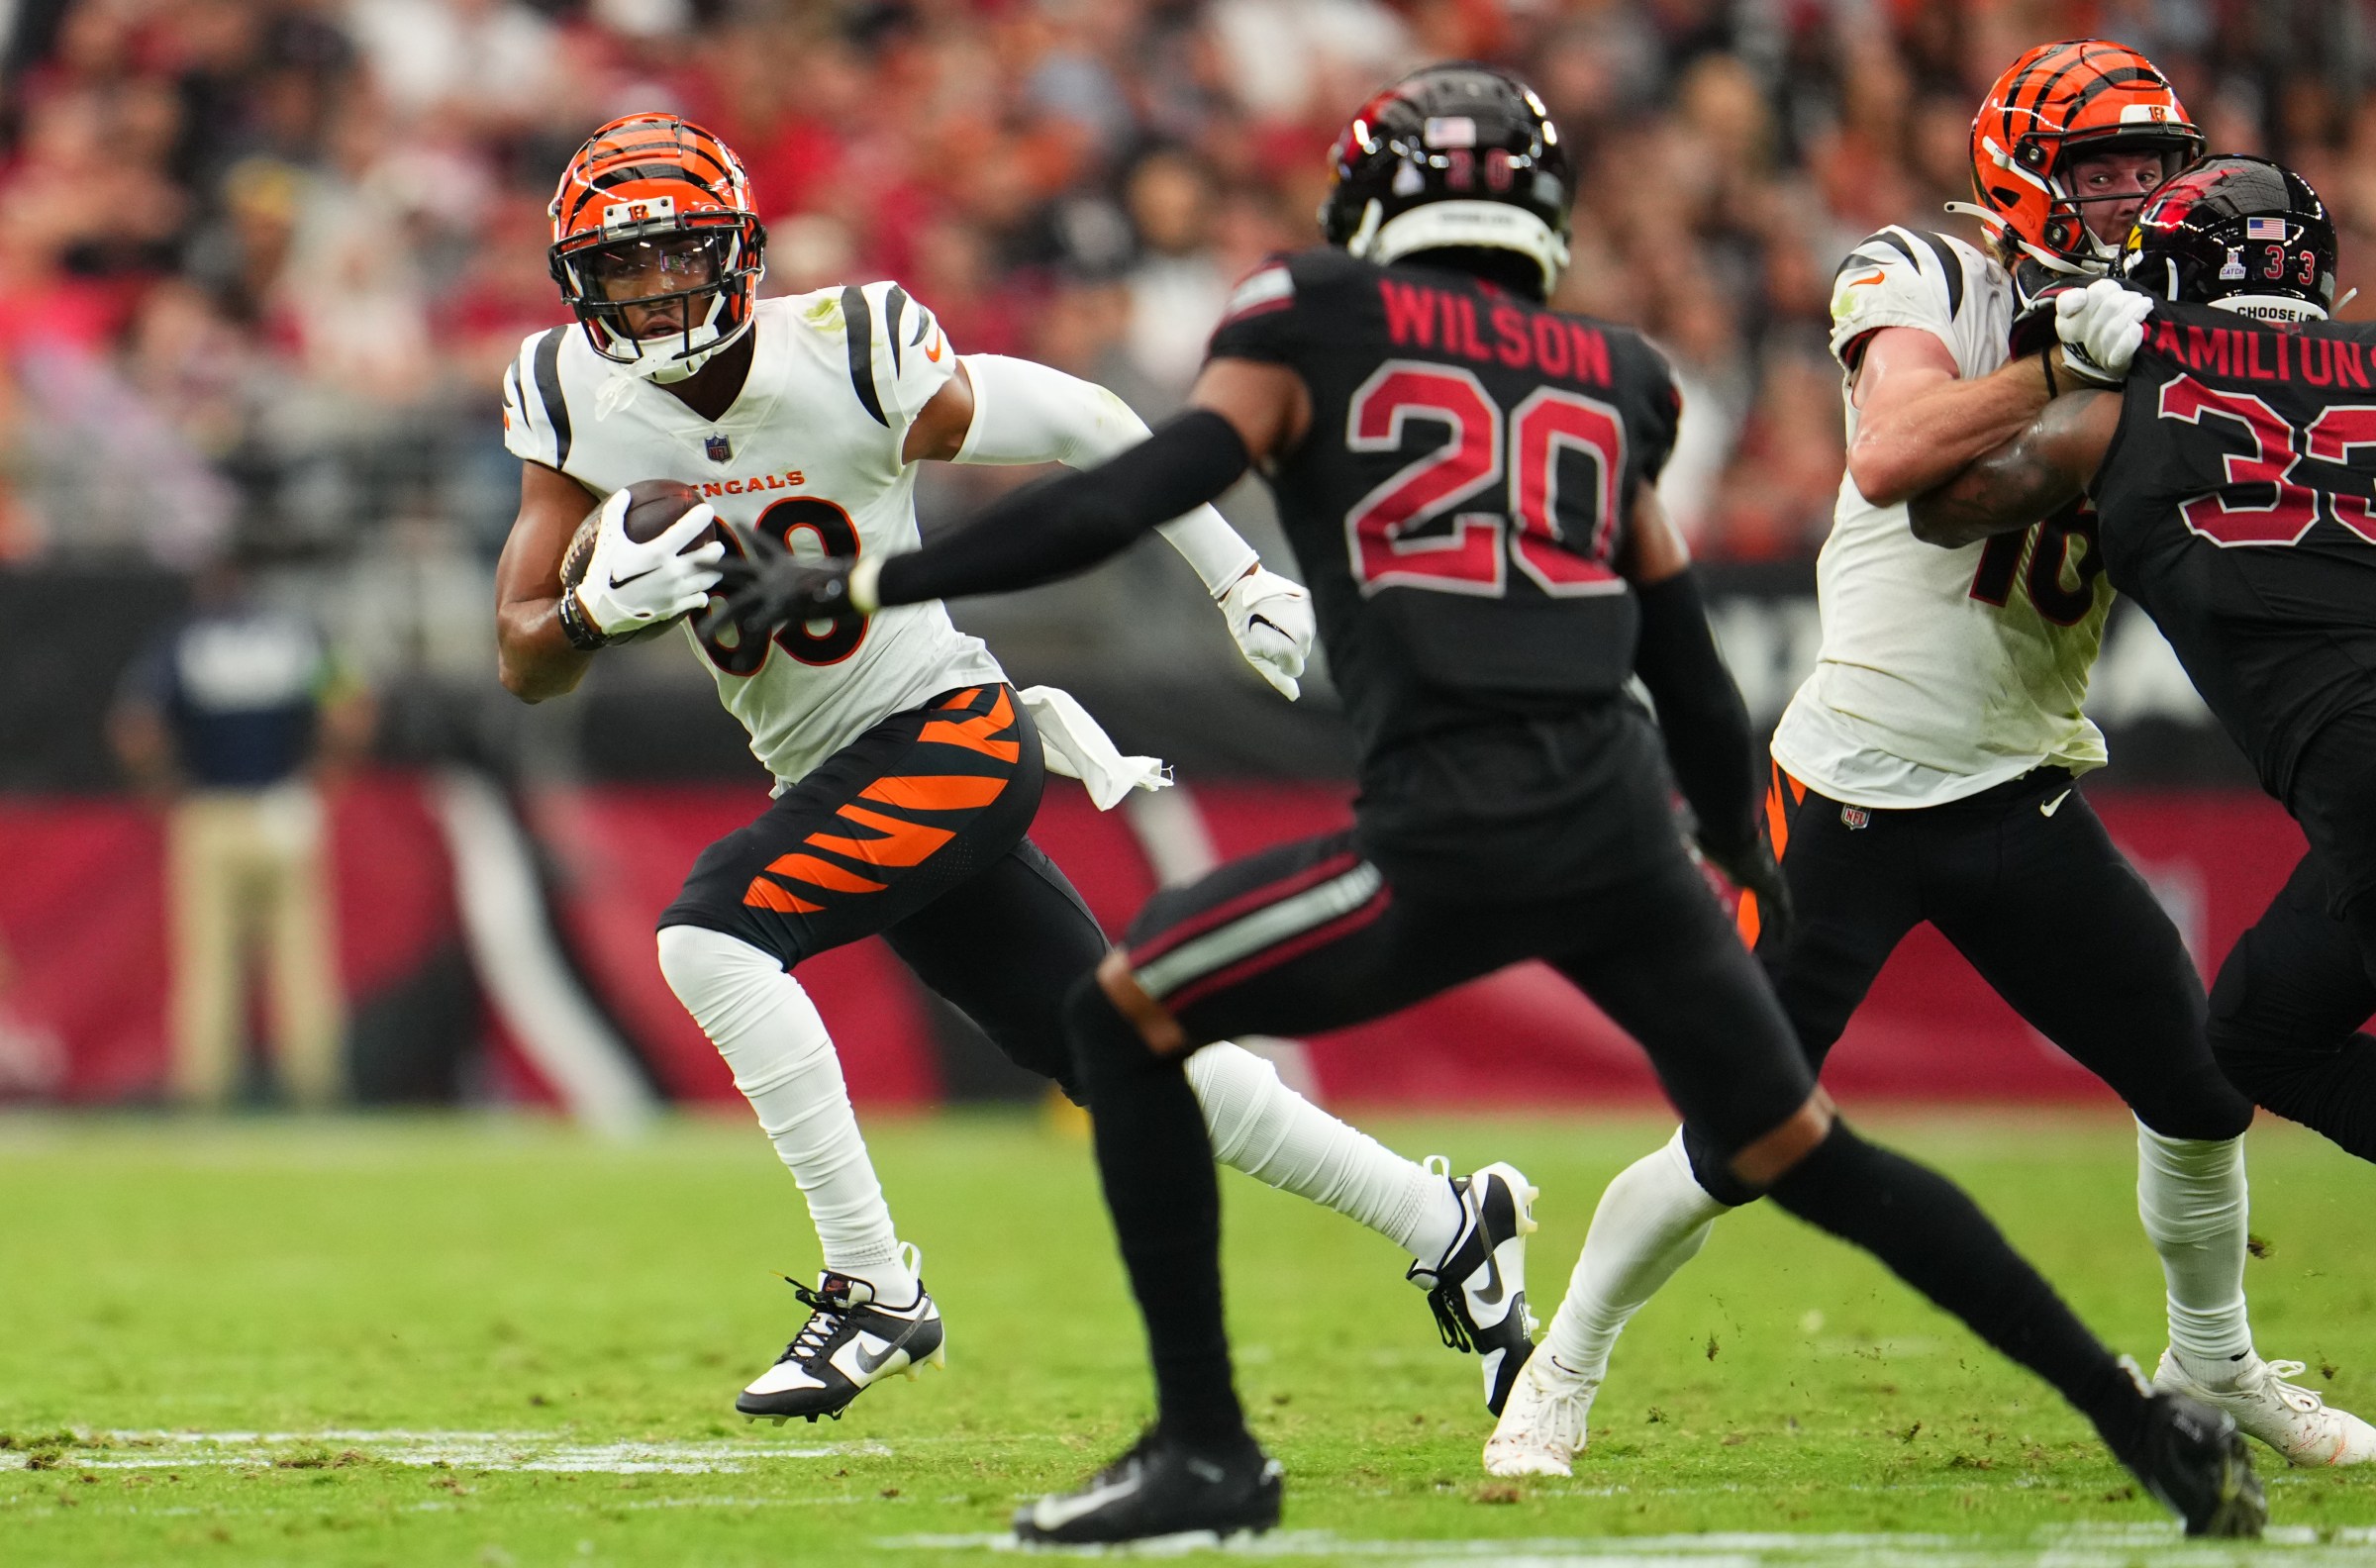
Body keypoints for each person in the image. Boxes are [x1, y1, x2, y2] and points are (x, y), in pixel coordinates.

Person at [710, 64, 2266, 1546]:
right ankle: (2149, 1431)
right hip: (1620, 830)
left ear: (1370, 208)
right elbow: (1687, 663)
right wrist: (1735, 852)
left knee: (1120, 1019)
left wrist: (871, 572)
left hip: (1447, 828)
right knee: (1801, 1146)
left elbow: (1141, 486)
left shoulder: (1312, 318)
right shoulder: (1620, 376)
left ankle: (1204, 1449)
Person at [490, 114, 1541, 1430]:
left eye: (675, 255)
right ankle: (1449, 1220)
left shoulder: (849, 353)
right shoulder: (572, 399)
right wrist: (592, 614)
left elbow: (1092, 419)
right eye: (622, 266)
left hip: (946, 730)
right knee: (1126, 1058)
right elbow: (525, 657)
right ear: (578, 284)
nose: (651, 289)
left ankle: (874, 1290)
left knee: (711, 933)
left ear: (739, 251)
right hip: (835, 757)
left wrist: (1239, 577)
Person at [1499, 41, 2369, 1478]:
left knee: (2202, 1092)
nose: (2131, 197)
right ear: (2024, 177)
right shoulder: (1929, 274)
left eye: (2154, 168)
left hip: (2023, 787)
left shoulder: (2182, 324)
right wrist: (2062, 354)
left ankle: (2213, 1364)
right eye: (2099, 172)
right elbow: (1897, 457)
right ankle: (1562, 1361)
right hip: (1851, 791)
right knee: (1736, 1136)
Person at [1912, 156, 2376, 1183]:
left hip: (2356, 765)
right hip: (2351, 781)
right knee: (2262, 1033)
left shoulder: (2118, 410)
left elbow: (1939, 505)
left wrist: (2062, 360)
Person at [112, 555, 370, 1110]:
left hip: (211, 811)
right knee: (302, 963)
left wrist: (164, 790)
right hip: (286, 808)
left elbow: (136, 728)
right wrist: (327, 775)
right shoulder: (295, 635)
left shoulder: (185, 639)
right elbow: (350, 708)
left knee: (208, 966)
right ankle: (316, 1091)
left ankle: (205, 1095)